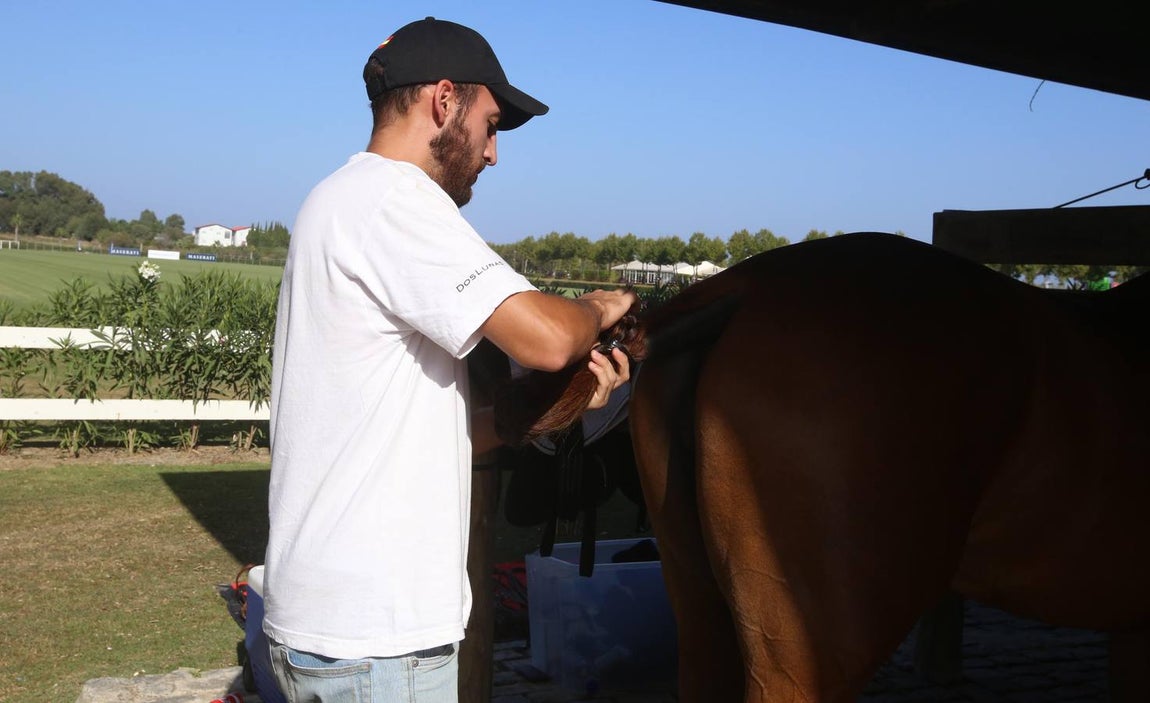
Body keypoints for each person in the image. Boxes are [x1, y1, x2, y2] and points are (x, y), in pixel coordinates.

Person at [262, 16, 638, 703]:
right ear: (444, 102)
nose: (493, 153)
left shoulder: (337, 201)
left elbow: (432, 433)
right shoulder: (394, 199)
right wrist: (600, 307)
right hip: (378, 645)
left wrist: (549, 406)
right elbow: (550, 337)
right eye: (491, 124)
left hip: (333, 633)